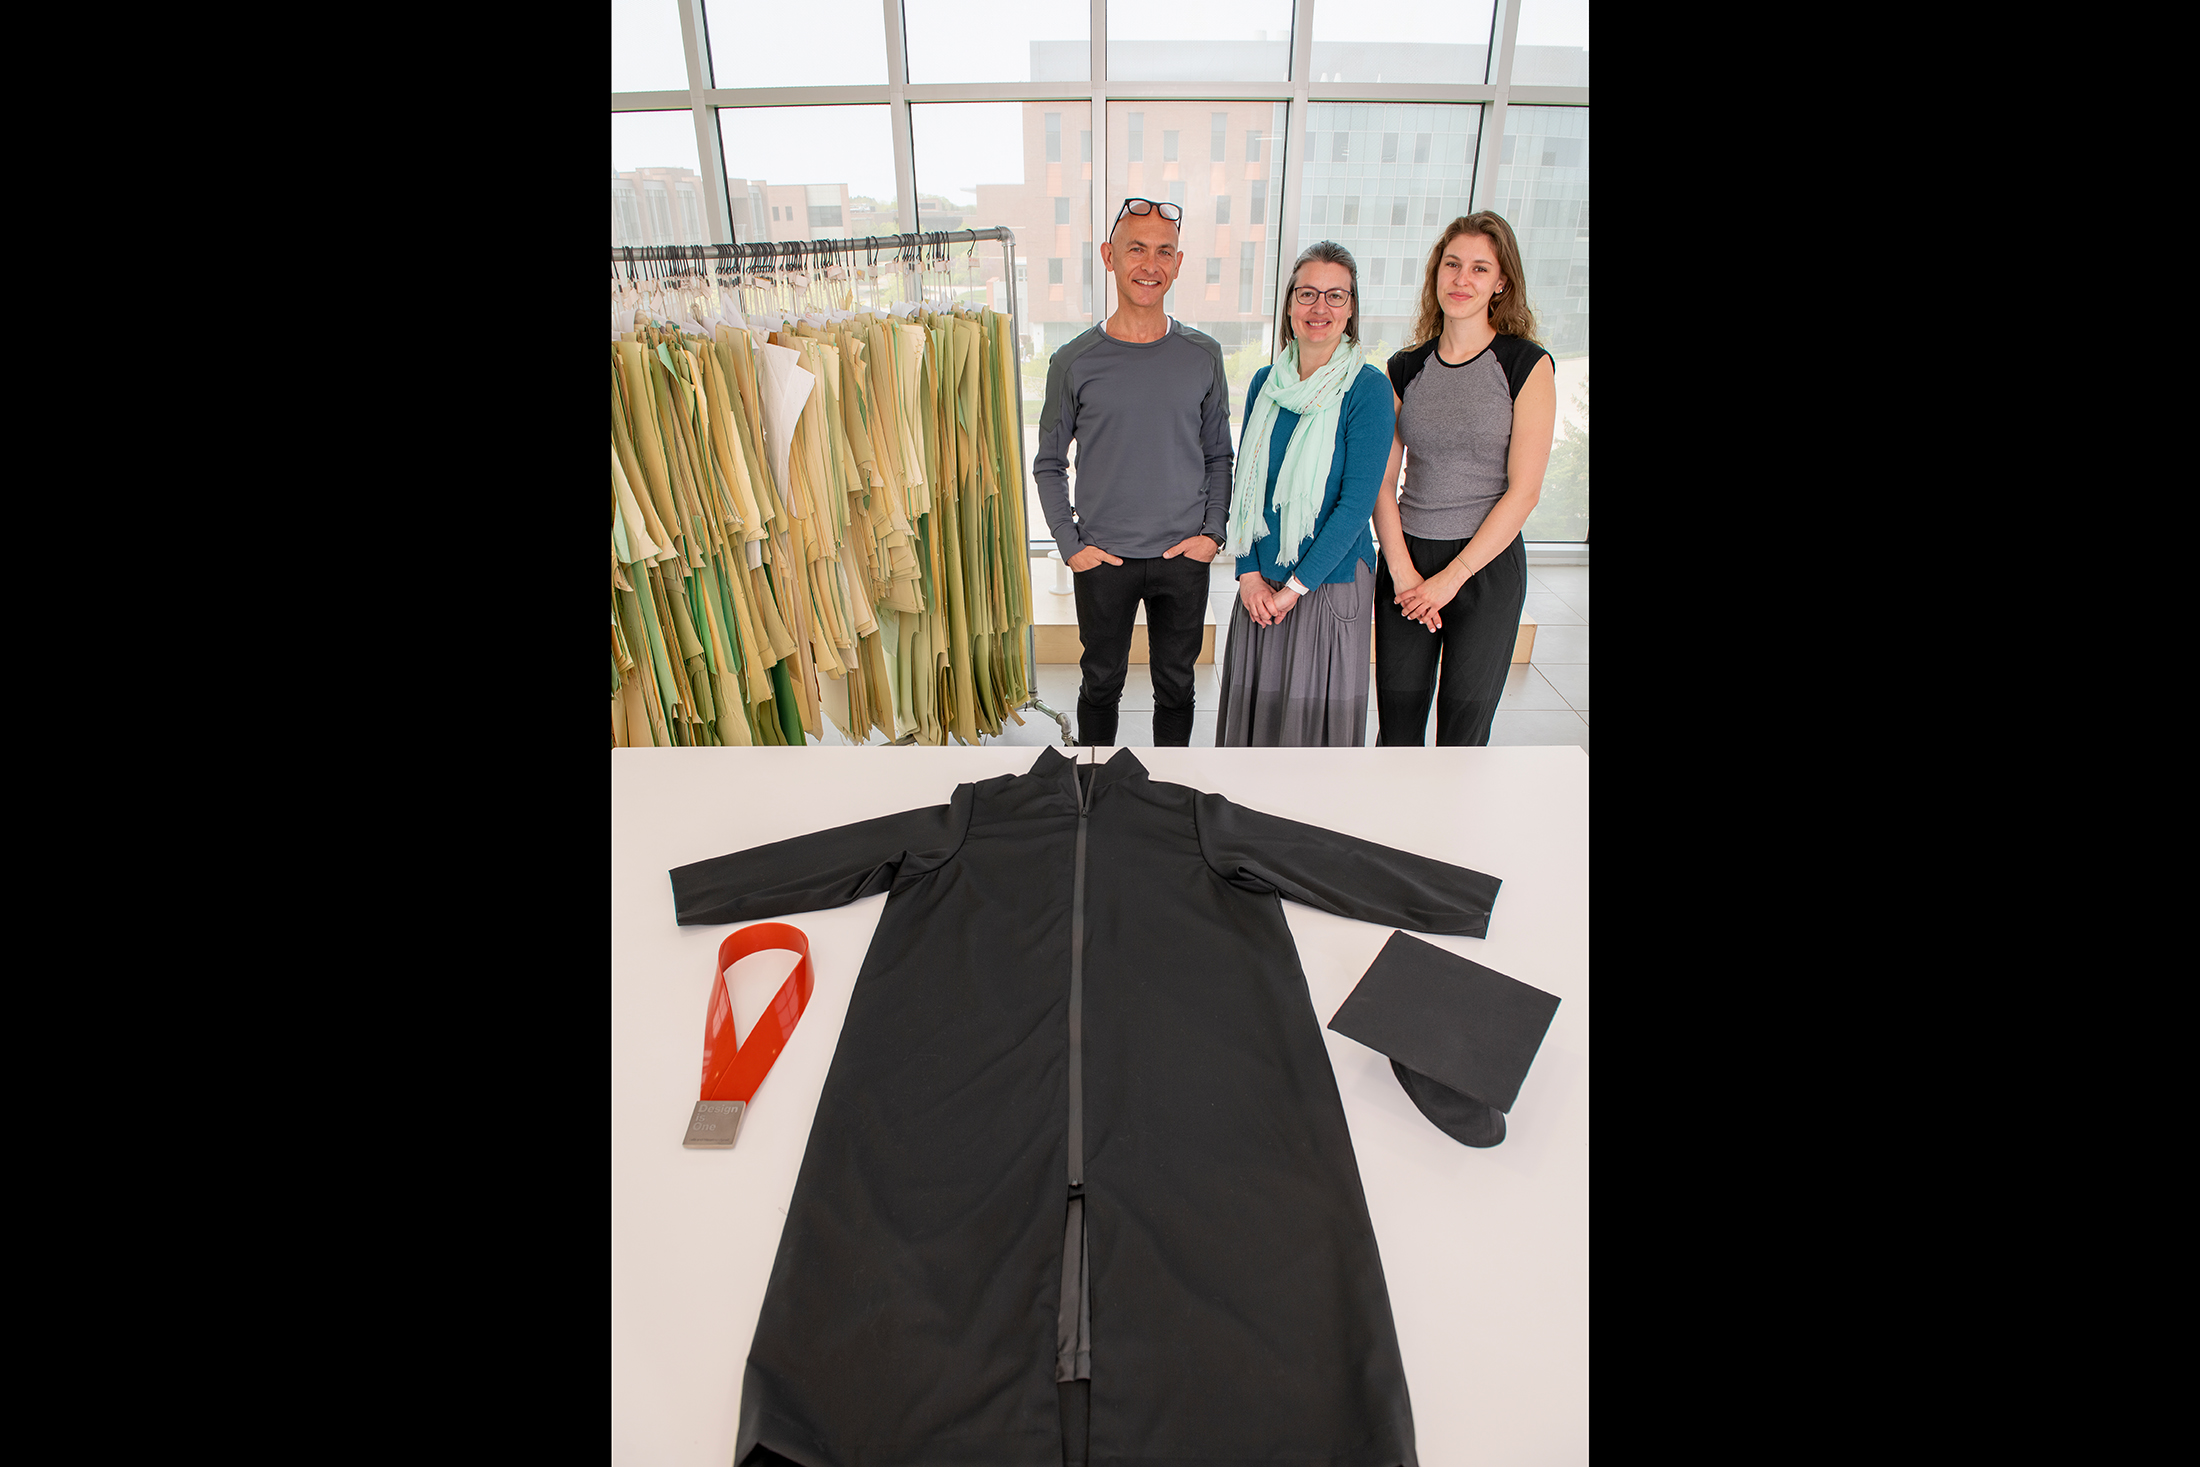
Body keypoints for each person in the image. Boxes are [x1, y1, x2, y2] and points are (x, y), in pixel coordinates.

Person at [1032, 198, 1234, 747]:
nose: (1150, 264)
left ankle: (1167, 802)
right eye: (1136, 249)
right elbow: (1048, 463)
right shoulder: (1074, 360)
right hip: (1104, 559)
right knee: (1100, 684)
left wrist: (1212, 535)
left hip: (1183, 557)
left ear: (1179, 262)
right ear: (1109, 257)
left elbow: (1219, 454)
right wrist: (1071, 544)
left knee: (1177, 686)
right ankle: (1096, 799)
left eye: (1163, 251)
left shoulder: (1203, 354)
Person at [1372, 212, 1557, 746]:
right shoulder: (1405, 367)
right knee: (1398, 732)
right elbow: (1382, 482)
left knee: (1463, 736)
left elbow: (1525, 491)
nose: (1461, 278)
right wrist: (1405, 574)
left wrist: (1451, 579)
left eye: (1480, 268)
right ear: (1436, 273)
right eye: (1452, 264)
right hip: (1408, 562)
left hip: (1486, 569)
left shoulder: (1525, 364)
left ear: (1501, 282)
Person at [1215, 242, 1396, 746]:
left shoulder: (1368, 390)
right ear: (1290, 305)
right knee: (1254, 730)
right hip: (1260, 588)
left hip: (1326, 584)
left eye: (1335, 296)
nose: (1320, 308)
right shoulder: (1263, 384)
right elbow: (1246, 484)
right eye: (1308, 294)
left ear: (1352, 308)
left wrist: (1294, 588)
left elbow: (1356, 506)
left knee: (1310, 741)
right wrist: (1248, 574)